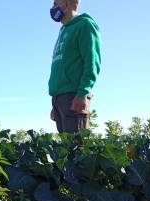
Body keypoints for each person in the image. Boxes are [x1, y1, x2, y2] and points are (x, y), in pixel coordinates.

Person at [49, 0, 101, 134]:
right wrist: (56, 102)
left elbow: (92, 61)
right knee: (66, 151)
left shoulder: (85, 25)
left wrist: (83, 92)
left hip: (74, 97)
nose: (52, 8)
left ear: (66, 5)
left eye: (55, 4)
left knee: (77, 149)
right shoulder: (64, 30)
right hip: (60, 98)